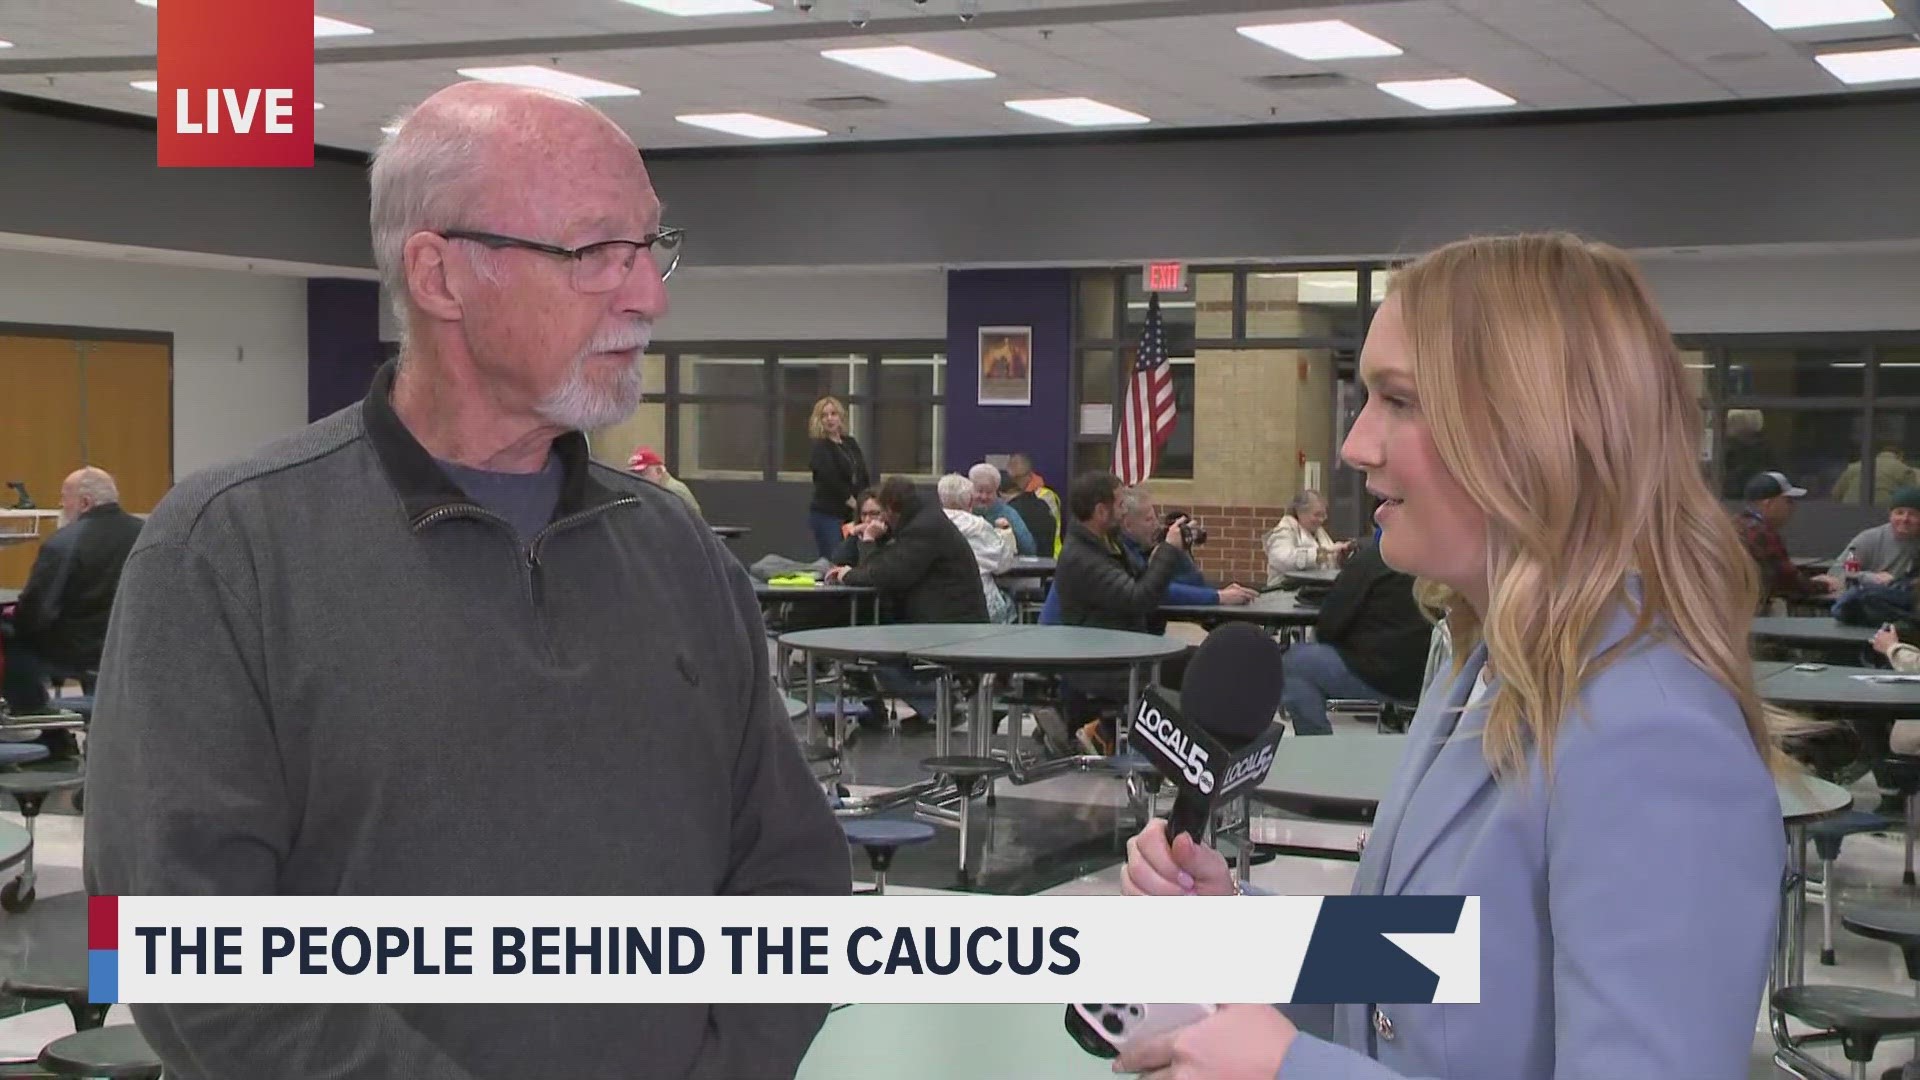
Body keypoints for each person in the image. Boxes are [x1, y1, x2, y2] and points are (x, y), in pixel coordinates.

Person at [84, 82, 848, 1080]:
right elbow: (184, 953)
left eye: (651, 248)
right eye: (594, 252)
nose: (648, 294)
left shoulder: (676, 550)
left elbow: (792, 872)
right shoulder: (226, 551)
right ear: (440, 276)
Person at [1118, 233, 1787, 1079]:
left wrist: (1291, 1071)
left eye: (1400, 401)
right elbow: (1443, 971)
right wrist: (1239, 930)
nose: (1358, 445)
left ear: (1535, 430)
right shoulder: (1486, 668)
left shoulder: (1655, 738)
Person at [828, 476, 987, 726]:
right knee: (862, 641)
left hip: (948, 625)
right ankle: (912, 707)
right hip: (937, 618)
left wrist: (864, 550)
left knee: (870, 650)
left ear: (891, 509)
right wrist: (857, 537)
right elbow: (843, 559)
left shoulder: (922, 530)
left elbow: (886, 575)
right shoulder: (919, 521)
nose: (876, 521)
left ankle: (938, 706)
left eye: (879, 513)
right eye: (866, 515)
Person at [1052, 472, 1191, 754]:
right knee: (1198, 672)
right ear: (1100, 511)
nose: (1124, 509)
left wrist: (1166, 550)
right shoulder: (1082, 558)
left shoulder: (1108, 543)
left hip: (1125, 650)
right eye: (1118, 504)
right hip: (1101, 662)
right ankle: (1175, 756)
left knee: (1201, 661)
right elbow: (1138, 598)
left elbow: (1145, 582)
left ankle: (1103, 731)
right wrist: (1168, 552)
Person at [0, 467, 143, 717]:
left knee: (8, 640)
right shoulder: (147, 534)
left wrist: (14, 617)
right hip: (131, 644)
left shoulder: (64, 543)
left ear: (84, 502)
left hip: (76, 649)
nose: (60, 504)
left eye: (64, 497)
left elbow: (36, 614)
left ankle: (43, 728)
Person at [1279, 539, 1431, 735]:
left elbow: (1330, 627)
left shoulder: (1370, 560)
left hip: (1381, 675)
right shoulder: (1442, 556)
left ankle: (1315, 748)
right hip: (1435, 675)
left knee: (1296, 663)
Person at [1736, 470, 1841, 609]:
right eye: (1788, 501)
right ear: (1768, 504)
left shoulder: (1735, 525)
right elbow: (1787, 581)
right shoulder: (1762, 534)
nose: (1793, 507)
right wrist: (1824, 585)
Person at [934, 473, 1018, 624]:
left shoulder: (929, 523)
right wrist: (1003, 535)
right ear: (970, 500)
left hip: (938, 604)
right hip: (980, 602)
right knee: (1009, 606)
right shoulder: (978, 526)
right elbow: (1003, 564)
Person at [806, 395, 868, 559]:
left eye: (833, 414)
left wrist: (867, 502)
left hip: (852, 514)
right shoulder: (820, 448)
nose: (829, 419)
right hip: (829, 514)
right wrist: (857, 505)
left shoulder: (850, 443)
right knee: (835, 558)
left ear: (841, 417)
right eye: (824, 415)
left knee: (853, 558)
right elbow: (831, 482)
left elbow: (862, 475)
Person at [1834, 486, 1920, 584]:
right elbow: (1837, 572)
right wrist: (1872, 578)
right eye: (1899, 513)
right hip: (1872, 593)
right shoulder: (1869, 539)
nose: (1905, 519)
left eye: (1913, 514)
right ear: (1890, 515)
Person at [1263, 489, 1350, 585]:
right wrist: (1322, 552)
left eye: (1324, 515)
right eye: (1317, 515)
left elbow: (1328, 565)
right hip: (1286, 593)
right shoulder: (1283, 531)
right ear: (1300, 513)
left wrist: (1340, 556)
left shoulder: (1319, 532)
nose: (1321, 519)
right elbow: (1283, 560)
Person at [967, 463, 1036, 556]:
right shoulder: (961, 512)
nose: (984, 497)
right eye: (979, 491)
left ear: (997, 492)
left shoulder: (1008, 514)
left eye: (989, 492)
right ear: (970, 489)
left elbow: (1029, 548)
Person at [1006, 451, 1064, 555]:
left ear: (1029, 476)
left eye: (1017, 477)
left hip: (1050, 556)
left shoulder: (1046, 496)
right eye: (1011, 477)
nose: (1014, 482)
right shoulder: (1013, 498)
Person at [1832, 440, 1920, 506]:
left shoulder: (1854, 466)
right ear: (1900, 456)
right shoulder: (1903, 469)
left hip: (1849, 508)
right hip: (1883, 510)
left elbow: (1836, 493)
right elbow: (1911, 496)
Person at [627, 444, 702, 518]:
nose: (638, 479)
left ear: (659, 471)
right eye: (634, 474)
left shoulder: (673, 491)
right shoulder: (653, 490)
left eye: (643, 474)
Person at [1000, 468, 1059, 560]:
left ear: (1000, 493)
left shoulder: (1010, 513)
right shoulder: (1043, 504)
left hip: (1023, 569)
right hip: (1048, 566)